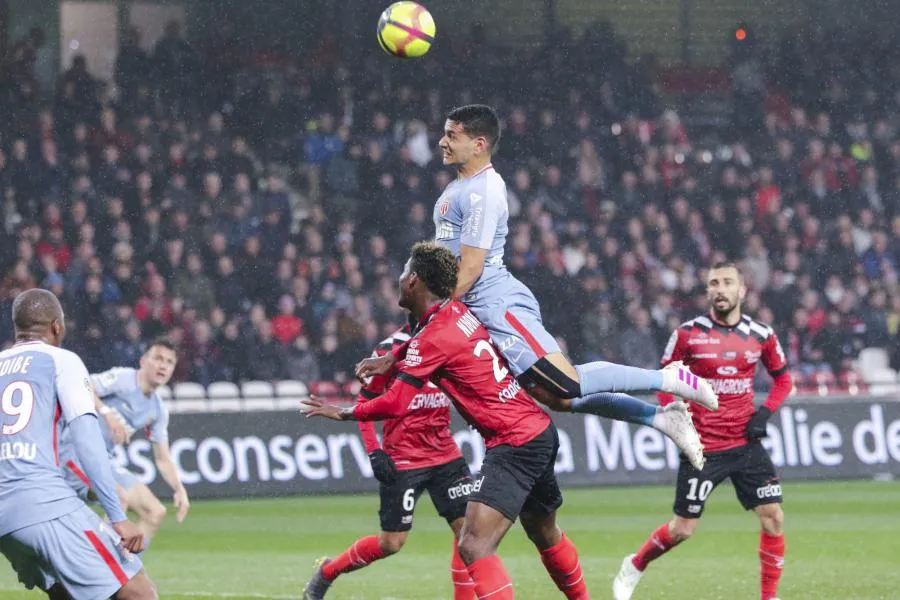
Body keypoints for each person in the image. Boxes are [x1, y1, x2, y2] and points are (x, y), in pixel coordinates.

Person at [358, 104, 714, 469]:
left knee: (567, 382)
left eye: (452, 135)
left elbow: (471, 269)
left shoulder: (483, 191)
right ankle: (659, 418)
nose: (442, 142)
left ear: (479, 143)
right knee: (555, 398)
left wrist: (430, 323)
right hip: (469, 308)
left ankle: (668, 378)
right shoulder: (455, 189)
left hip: (495, 304)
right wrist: (401, 348)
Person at [305, 242, 651, 599]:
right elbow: (429, 341)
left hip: (512, 443)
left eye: (405, 272)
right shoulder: (458, 311)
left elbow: (395, 401)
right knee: (543, 532)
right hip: (535, 429)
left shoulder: (430, 338)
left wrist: (344, 412)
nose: (399, 279)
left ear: (414, 282)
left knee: (473, 544)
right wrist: (394, 358)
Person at [613, 262, 792, 600]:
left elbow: (784, 379)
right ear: (707, 292)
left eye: (727, 283)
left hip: (745, 443)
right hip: (702, 447)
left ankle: (769, 597)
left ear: (742, 290)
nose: (720, 289)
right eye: (713, 283)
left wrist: (765, 414)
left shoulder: (762, 335)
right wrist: (675, 410)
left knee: (773, 517)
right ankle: (635, 564)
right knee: (683, 529)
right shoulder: (687, 334)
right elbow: (664, 378)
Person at [0, 288, 157, 599]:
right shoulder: (62, 361)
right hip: (46, 505)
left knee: (66, 595)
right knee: (140, 592)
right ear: (57, 326)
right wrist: (117, 517)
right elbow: (88, 442)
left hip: (6, 522)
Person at [302, 321, 475, 599]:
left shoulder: (448, 337)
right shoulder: (389, 350)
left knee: (469, 534)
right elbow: (365, 402)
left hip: (446, 454)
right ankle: (328, 571)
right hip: (404, 459)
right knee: (391, 543)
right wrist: (374, 450)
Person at [59, 338, 190, 546]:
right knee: (118, 497)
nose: (163, 365)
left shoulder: (157, 410)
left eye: (169, 362)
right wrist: (106, 412)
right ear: (143, 361)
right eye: (158, 358)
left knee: (154, 512)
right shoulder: (123, 379)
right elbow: (81, 386)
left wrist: (179, 489)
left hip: (102, 460)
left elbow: (163, 458)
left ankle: (121, 568)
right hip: (74, 450)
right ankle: (97, 569)